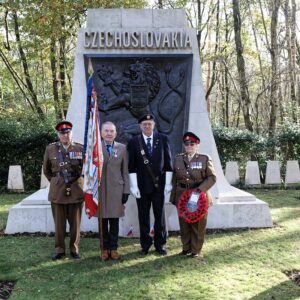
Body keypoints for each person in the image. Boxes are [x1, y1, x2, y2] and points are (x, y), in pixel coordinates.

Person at [128, 114, 173, 255]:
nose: (147, 126)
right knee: (143, 216)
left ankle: (160, 245)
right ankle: (145, 245)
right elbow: (132, 166)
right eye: (144, 124)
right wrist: (134, 186)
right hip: (141, 186)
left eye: (150, 123)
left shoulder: (163, 139)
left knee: (160, 216)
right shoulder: (134, 141)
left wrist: (168, 184)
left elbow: (168, 164)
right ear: (140, 126)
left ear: (154, 125)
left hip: (159, 185)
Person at [170, 132, 216, 258]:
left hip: (198, 196)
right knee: (184, 224)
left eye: (192, 144)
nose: (189, 146)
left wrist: (200, 190)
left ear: (197, 145)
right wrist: (173, 197)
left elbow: (212, 178)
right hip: (182, 196)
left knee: (198, 224)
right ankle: (186, 248)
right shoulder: (179, 159)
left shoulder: (204, 158)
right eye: (187, 144)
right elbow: (175, 179)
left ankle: (195, 250)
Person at [43, 120, 84, 260]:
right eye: (62, 134)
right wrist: (57, 181)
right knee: (59, 224)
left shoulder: (80, 148)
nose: (65, 136)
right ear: (58, 135)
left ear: (71, 133)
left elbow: (85, 169)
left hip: (76, 190)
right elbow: (46, 170)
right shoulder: (50, 149)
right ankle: (60, 250)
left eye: (68, 133)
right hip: (58, 192)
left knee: (75, 224)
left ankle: (74, 249)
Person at [99, 121, 129, 261]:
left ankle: (114, 248)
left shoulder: (122, 148)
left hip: (117, 190)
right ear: (101, 132)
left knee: (114, 221)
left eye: (112, 131)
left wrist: (126, 191)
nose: (109, 133)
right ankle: (104, 249)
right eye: (106, 131)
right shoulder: (96, 148)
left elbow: (125, 171)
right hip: (100, 191)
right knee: (103, 222)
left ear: (115, 133)